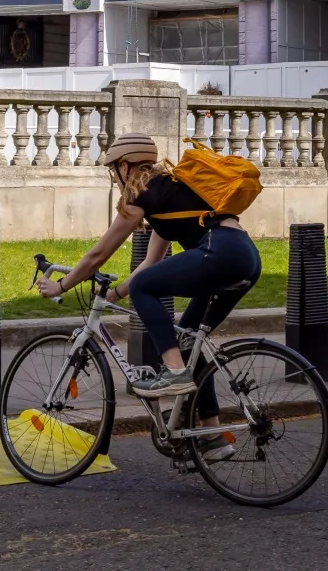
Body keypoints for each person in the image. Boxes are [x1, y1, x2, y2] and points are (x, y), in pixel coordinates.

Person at [38, 132, 260, 451]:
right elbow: (150, 262)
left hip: (220, 252)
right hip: (245, 256)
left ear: (125, 167)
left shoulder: (142, 196)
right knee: (188, 339)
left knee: (149, 293)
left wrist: (61, 285)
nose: (114, 176)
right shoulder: (168, 191)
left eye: (114, 168)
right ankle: (213, 436)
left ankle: (174, 375)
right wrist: (112, 296)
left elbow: (99, 254)